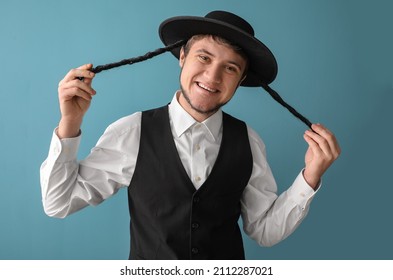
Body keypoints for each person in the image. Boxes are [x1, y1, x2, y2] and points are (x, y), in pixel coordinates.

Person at [40, 11, 340, 260]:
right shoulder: (132, 132)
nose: (212, 76)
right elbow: (59, 203)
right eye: (204, 58)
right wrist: (70, 122)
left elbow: (264, 231)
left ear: (242, 79)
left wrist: (310, 176)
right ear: (182, 56)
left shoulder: (248, 140)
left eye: (230, 67)